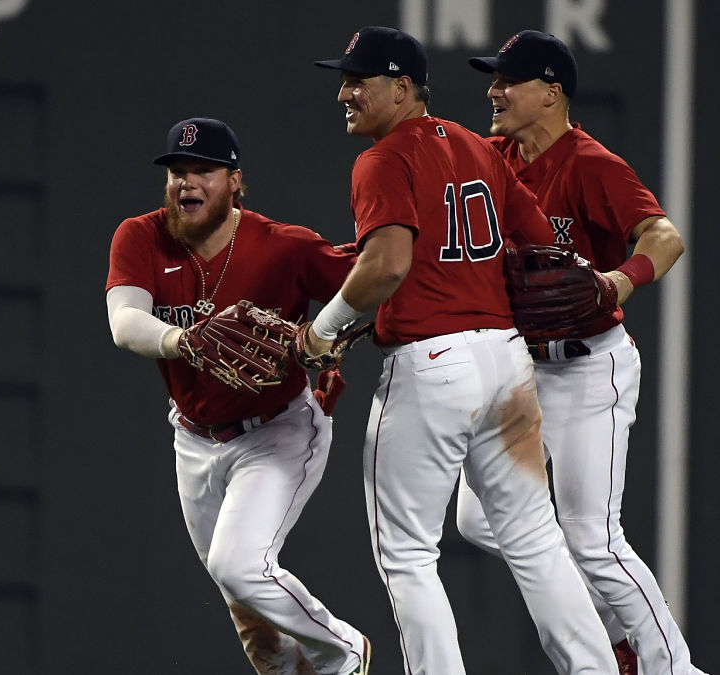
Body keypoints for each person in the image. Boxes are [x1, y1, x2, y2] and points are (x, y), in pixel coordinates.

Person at [306, 26, 620, 674]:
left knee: (409, 555)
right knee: (535, 538)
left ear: (402, 88)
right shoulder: (483, 149)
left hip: (431, 366)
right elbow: (548, 251)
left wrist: (324, 328)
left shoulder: (383, 159)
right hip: (506, 363)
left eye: (357, 80)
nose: (344, 92)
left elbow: (387, 263)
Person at [460, 31, 707, 675]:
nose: (493, 90)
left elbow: (666, 237)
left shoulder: (592, 164)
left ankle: (672, 668)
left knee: (592, 538)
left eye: (507, 80)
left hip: (588, 365)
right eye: (493, 79)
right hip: (519, 368)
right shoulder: (491, 158)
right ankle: (609, 636)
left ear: (551, 93)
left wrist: (616, 280)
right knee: (480, 520)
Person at [104, 116, 370, 675]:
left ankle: (341, 651)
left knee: (239, 564)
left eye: (203, 170)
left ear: (236, 181)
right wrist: (183, 338)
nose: (187, 182)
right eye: (178, 171)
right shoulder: (141, 236)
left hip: (276, 430)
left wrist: (330, 338)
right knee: (253, 624)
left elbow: (372, 278)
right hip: (194, 440)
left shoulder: (284, 247)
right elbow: (124, 322)